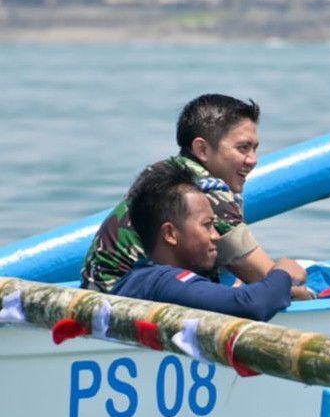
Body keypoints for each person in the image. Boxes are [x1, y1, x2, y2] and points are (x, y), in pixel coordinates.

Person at [80, 94, 310, 299]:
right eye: (243, 148)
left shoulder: (164, 173)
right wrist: (298, 284)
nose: (253, 159)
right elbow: (267, 280)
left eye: (255, 148)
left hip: (96, 296)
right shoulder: (207, 194)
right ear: (202, 149)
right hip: (127, 306)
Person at [111, 159, 294, 321]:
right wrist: (283, 272)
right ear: (170, 234)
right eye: (207, 225)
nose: (215, 235)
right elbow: (252, 305)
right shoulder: (164, 282)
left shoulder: (140, 278)